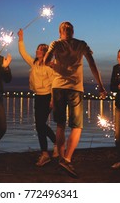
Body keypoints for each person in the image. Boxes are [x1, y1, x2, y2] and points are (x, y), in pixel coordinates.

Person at [43, 21, 107, 178]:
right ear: (72, 31)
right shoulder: (81, 44)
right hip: (75, 88)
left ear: (60, 32)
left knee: (60, 125)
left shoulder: (56, 44)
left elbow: (45, 61)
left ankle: (63, 158)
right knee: (76, 126)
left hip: (59, 87)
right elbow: (92, 64)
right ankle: (67, 159)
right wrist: (100, 85)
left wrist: (54, 66)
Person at [17, 29, 57, 167]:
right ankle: (51, 148)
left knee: (40, 125)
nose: (37, 51)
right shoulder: (34, 64)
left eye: (40, 50)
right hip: (38, 97)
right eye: (37, 49)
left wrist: (53, 100)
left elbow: (54, 84)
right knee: (40, 126)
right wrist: (21, 38)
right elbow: (23, 53)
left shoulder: (49, 67)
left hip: (47, 97)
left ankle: (49, 150)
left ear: (45, 53)